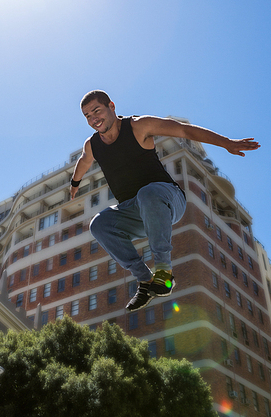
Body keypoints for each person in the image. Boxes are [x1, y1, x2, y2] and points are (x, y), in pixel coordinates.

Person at [70, 90, 260, 312]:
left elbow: (182, 130)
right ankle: (146, 281)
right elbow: (84, 162)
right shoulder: (93, 144)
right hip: (136, 211)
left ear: (111, 106)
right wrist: (74, 184)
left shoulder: (139, 126)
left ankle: (164, 272)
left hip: (168, 199)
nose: (94, 120)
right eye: (87, 116)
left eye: (97, 111)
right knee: (99, 224)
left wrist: (226, 142)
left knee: (147, 193)